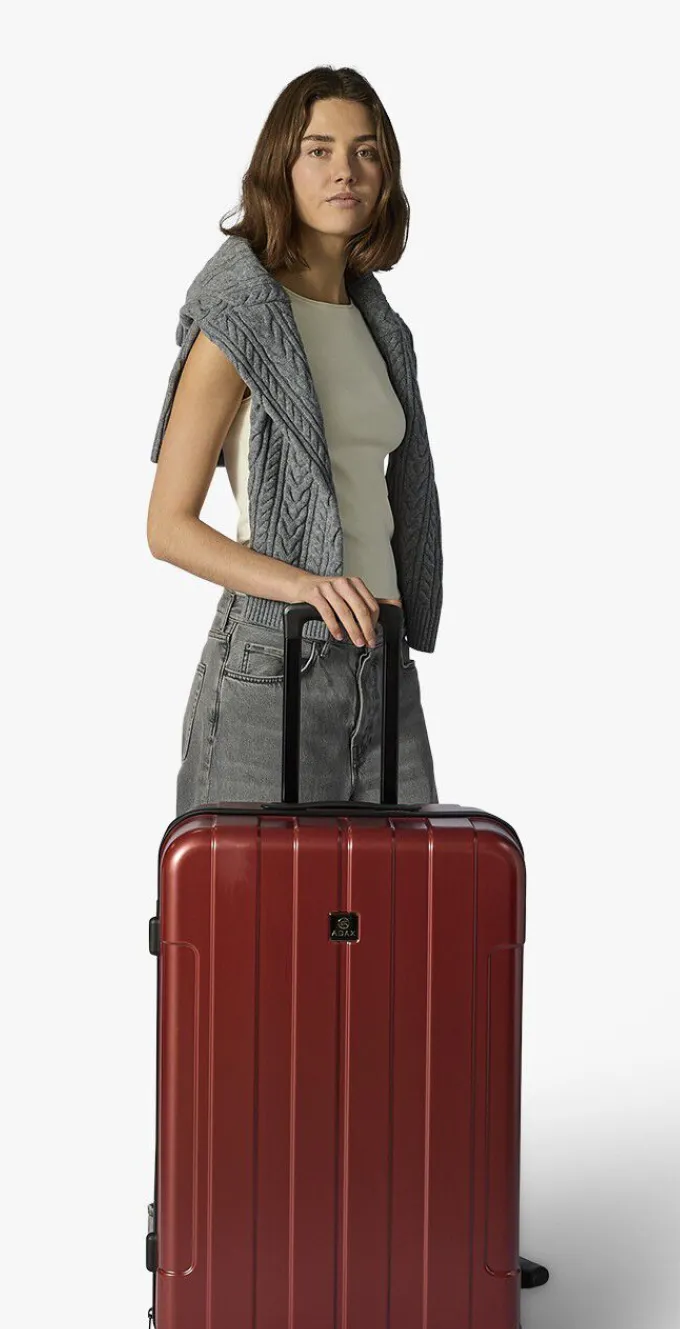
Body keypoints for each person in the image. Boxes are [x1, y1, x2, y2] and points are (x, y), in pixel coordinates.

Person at [147, 67, 444, 816]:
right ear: (281, 166)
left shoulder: (381, 328)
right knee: (250, 895)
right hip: (275, 660)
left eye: (365, 151)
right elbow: (167, 527)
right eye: (319, 150)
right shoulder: (238, 322)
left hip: (381, 657)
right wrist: (306, 584)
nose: (345, 170)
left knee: (407, 890)